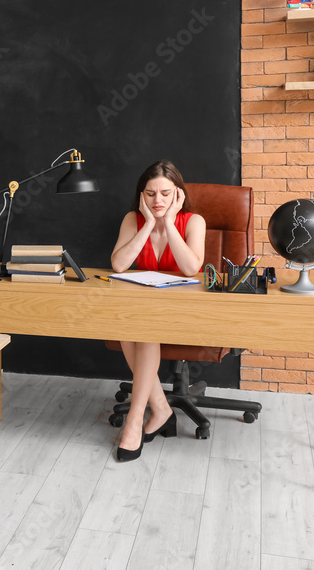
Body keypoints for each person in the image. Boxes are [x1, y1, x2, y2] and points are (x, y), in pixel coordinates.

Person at [110, 160, 206, 462]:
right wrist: (150, 223)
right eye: (150, 194)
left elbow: (192, 267)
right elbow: (119, 264)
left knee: (142, 329)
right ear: (142, 196)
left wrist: (170, 221)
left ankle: (134, 421)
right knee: (130, 329)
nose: (158, 201)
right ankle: (160, 409)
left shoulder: (193, 221)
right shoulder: (132, 220)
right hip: (146, 309)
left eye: (165, 193)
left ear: (178, 193)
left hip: (187, 310)